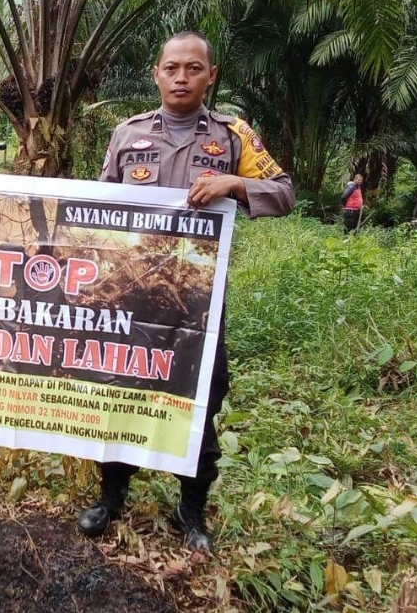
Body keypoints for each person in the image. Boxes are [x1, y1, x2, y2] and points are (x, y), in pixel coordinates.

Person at [80, 32, 294, 551]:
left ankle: (191, 509)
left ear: (210, 75)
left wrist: (235, 185)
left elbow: (284, 192)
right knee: (121, 387)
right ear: (156, 73)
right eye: (172, 68)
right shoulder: (128, 134)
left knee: (201, 396)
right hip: (132, 297)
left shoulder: (232, 136)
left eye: (193, 68)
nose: (181, 77)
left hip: (199, 302)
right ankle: (111, 497)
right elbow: (100, 205)